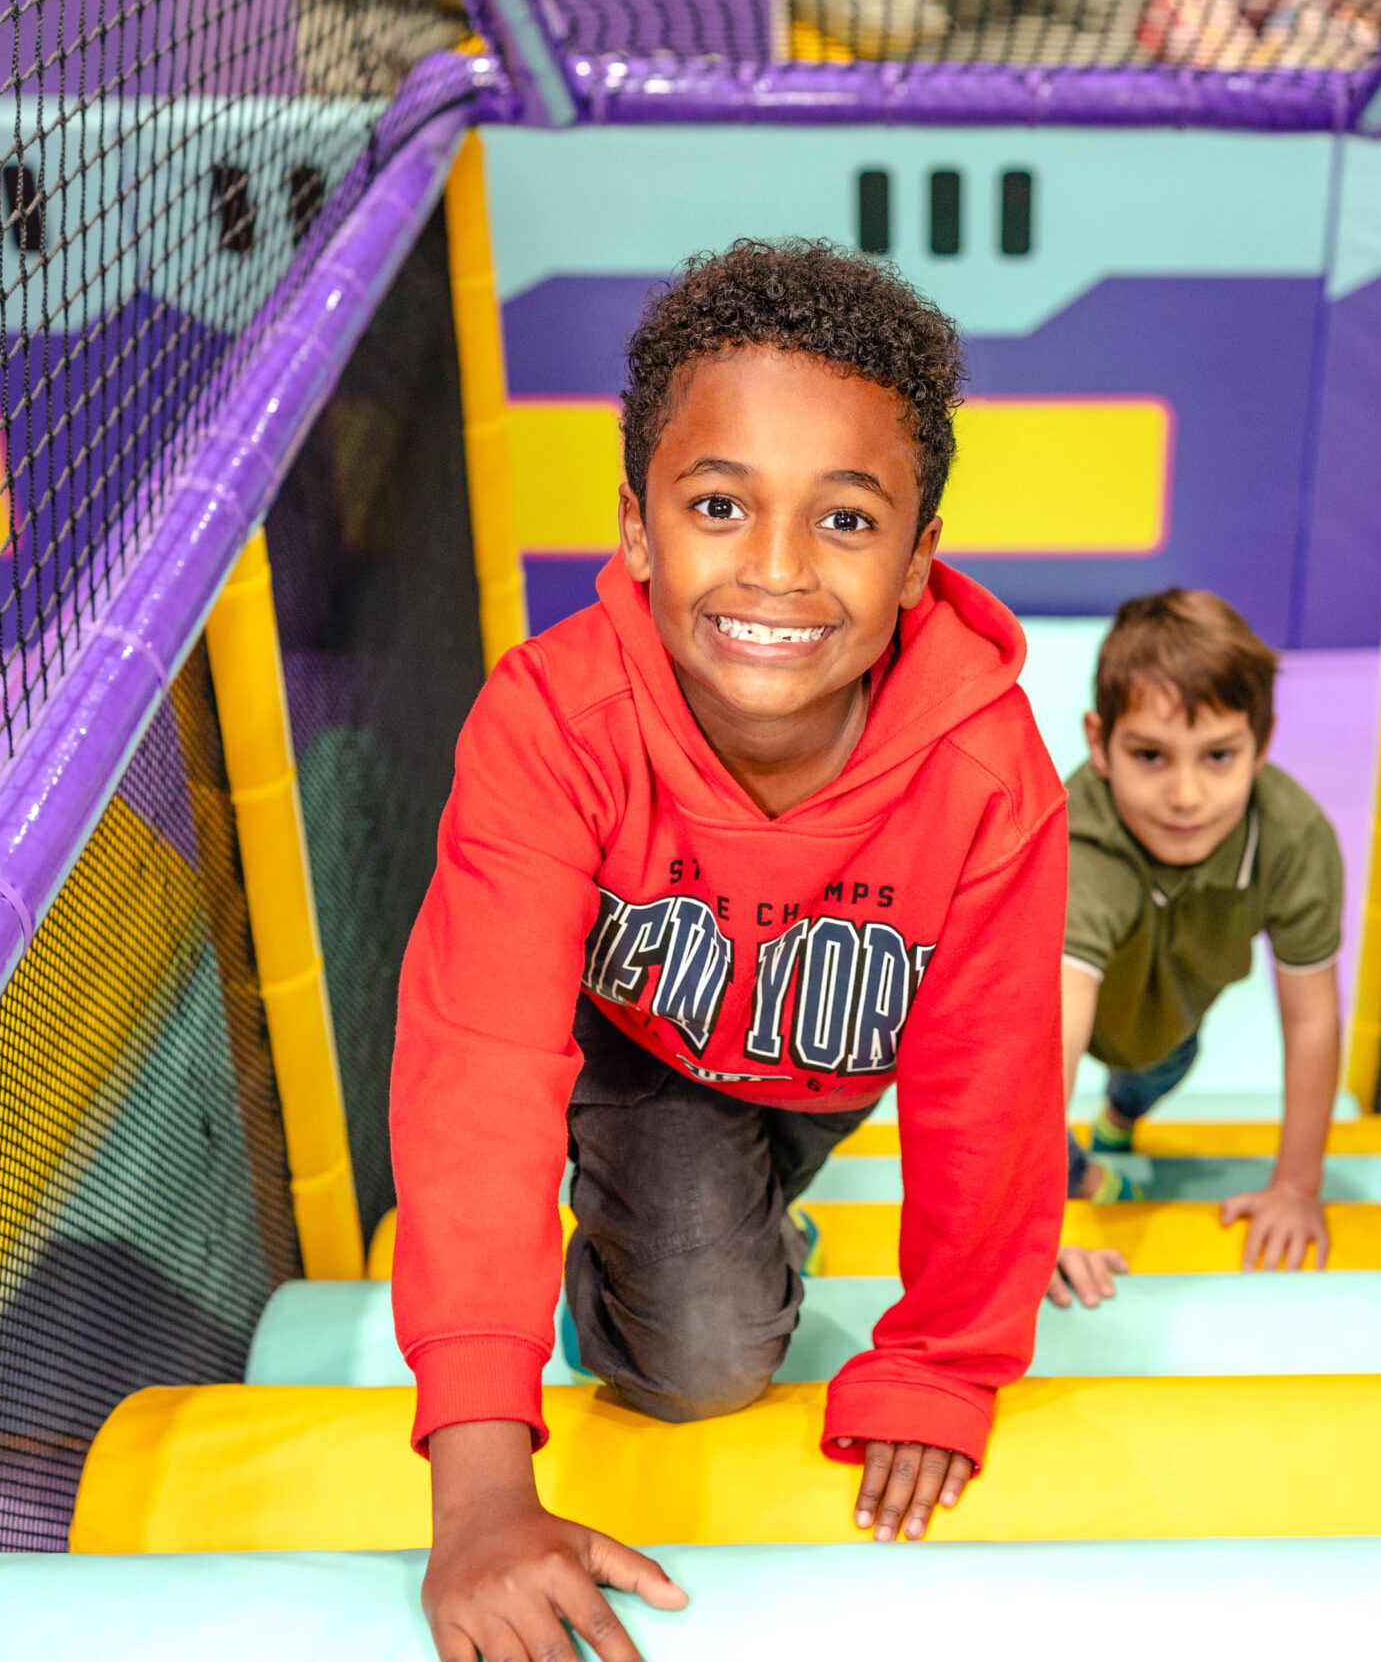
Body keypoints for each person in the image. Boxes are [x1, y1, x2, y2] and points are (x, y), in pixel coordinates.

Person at [392, 240, 1067, 1662]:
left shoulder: (986, 771)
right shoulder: (550, 727)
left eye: (844, 519)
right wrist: (480, 1488)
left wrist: (945, 1359)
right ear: (636, 527)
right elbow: (479, 1071)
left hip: (826, 1066)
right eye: (718, 504)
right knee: (699, 1364)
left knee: (753, 1227)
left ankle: (745, 1220)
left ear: (920, 554)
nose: (774, 569)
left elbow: (991, 1082)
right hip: (647, 1058)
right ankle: (636, 1254)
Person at [1045, 590, 1345, 1312]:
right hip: (1046, 1020)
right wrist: (1034, 1228)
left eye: (1218, 756)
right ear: (1099, 744)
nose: (1185, 794)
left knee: (1158, 1066)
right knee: (1018, 1112)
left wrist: (1296, 1186)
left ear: (1262, 745)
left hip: (1170, 1018)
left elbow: (1311, 1020)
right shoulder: (1077, 842)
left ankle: (1117, 1123)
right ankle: (1079, 1166)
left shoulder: (1292, 838)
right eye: (1150, 754)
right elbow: (1050, 1030)